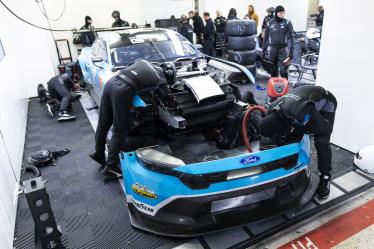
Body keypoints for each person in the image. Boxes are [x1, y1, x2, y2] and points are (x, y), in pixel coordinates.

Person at [89, 60, 169, 178]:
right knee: (120, 130)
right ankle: (110, 167)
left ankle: (98, 153)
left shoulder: (143, 62)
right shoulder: (161, 78)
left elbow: (130, 64)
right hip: (123, 90)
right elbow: (165, 95)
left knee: (104, 123)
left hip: (111, 82)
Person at [258, 85, 337, 199]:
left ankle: (325, 176)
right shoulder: (271, 107)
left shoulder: (300, 113)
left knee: (322, 141)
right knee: (291, 130)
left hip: (326, 101)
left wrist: (297, 128)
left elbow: (324, 128)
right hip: (303, 97)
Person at [262, 5, 294, 78]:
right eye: (281, 13)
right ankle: (274, 87)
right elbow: (265, 38)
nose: (282, 15)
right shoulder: (269, 23)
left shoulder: (287, 22)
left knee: (283, 71)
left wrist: (292, 50)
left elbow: (292, 37)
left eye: (283, 13)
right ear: (276, 13)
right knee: (273, 71)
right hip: (272, 49)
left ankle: (285, 86)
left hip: (283, 49)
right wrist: (263, 51)